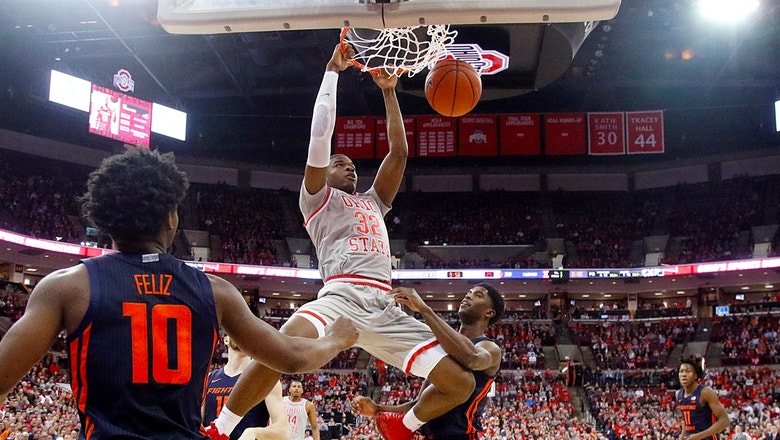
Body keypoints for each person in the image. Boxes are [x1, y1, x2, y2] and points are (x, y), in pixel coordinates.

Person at [206, 43, 477, 440]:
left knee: (460, 382)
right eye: (340, 163)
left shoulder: (372, 201)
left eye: (353, 166)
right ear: (324, 173)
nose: (349, 167)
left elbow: (399, 153)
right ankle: (219, 428)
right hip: (340, 298)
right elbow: (320, 136)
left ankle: (401, 424)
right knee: (278, 349)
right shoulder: (317, 199)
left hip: (385, 306)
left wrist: (389, 91)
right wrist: (332, 72)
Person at [0, 147, 358, 439]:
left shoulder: (66, 287)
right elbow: (291, 357)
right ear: (171, 217)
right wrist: (336, 340)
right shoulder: (215, 291)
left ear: (103, 219)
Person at [351, 283, 505, 440]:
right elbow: (420, 403)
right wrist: (377, 409)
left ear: (489, 312)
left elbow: (472, 359)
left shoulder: (489, 347)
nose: (468, 295)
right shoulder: (443, 347)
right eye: (469, 292)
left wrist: (425, 309)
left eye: (478, 295)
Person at [203, 335, 289, 440]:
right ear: (226, 339)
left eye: (244, 332)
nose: (241, 335)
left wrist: (254, 433)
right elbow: (196, 424)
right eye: (236, 331)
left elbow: (283, 431)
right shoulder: (208, 379)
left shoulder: (264, 379)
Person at [676, 357, 730, 440]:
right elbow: (686, 420)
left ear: (695, 376)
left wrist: (698, 436)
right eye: (681, 371)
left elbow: (725, 421)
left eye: (688, 371)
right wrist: (682, 435)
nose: (683, 374)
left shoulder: (705, 393)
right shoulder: (678, 394)